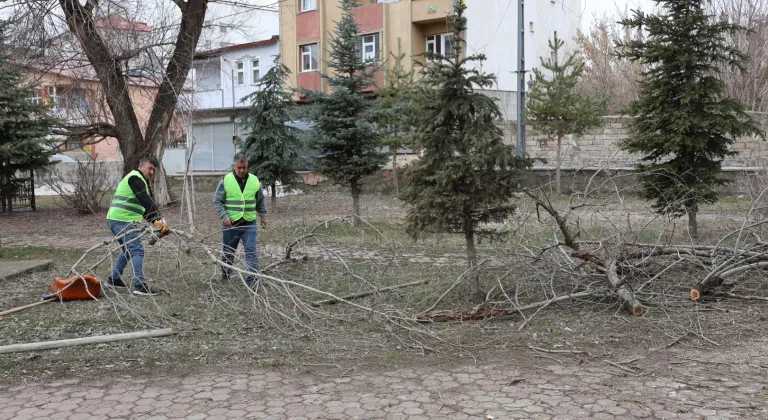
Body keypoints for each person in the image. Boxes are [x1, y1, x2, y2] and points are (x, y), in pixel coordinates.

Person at [105, 155, 169, 296]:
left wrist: (156, 222)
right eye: (150, 168)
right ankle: (140, 286)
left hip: (117, 220)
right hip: (122, 220)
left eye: (153, 170)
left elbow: (145, 207)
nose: (151, 172)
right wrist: (160, 219)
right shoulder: (135, 178)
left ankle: (114, 278)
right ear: (141, 165)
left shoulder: (141, 182)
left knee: (128, 250)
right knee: (137, 250)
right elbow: (146, 200)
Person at [214, 153, 268, 287]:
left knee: (251, 251)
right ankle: (225, 275)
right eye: (239, 168)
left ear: (247, 166)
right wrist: (224, 216)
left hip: (249, 224)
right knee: (228, 251)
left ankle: (253, 281)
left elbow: (260, 200)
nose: (242, 170)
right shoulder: (225, 181)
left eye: (244, 167)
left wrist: (263, 216)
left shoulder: (254, 181)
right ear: (234, 166)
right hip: (231, 225)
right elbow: (217, 201)